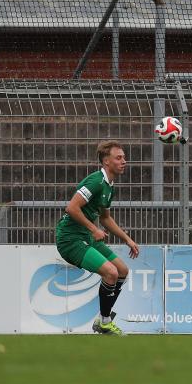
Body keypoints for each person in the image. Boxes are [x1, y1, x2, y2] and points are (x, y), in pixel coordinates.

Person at [55, 140, 139, 335]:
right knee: (110, 272)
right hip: (70, 239)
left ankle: (103, 319)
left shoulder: (109, 186)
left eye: (124, 157)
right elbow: (72, 208)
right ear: (106, 162)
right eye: (119, 158)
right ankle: (105, 321)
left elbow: (105, 218)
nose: (124, 161)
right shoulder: (96, 181)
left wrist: (128, 239)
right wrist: (93, 229)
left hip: (86, 237)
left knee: (122, 270)